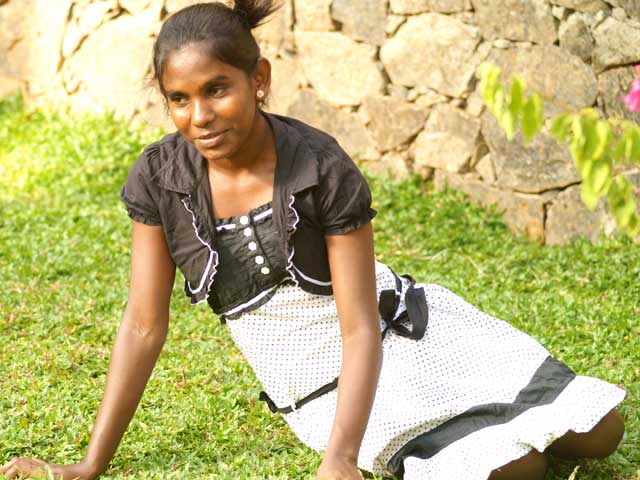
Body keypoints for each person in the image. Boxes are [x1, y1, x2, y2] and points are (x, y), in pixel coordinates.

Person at [0, 1, 627, 479]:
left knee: (602, 433)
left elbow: (359, 325)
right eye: (179, 99)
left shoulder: (319, 166)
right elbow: (143, 326)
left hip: (393, 336)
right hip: (320, 385)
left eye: (217, 89)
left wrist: (341, 461)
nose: (200, 116)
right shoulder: (161, 179)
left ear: (259, 79)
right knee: (512, 470)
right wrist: (88, 466)